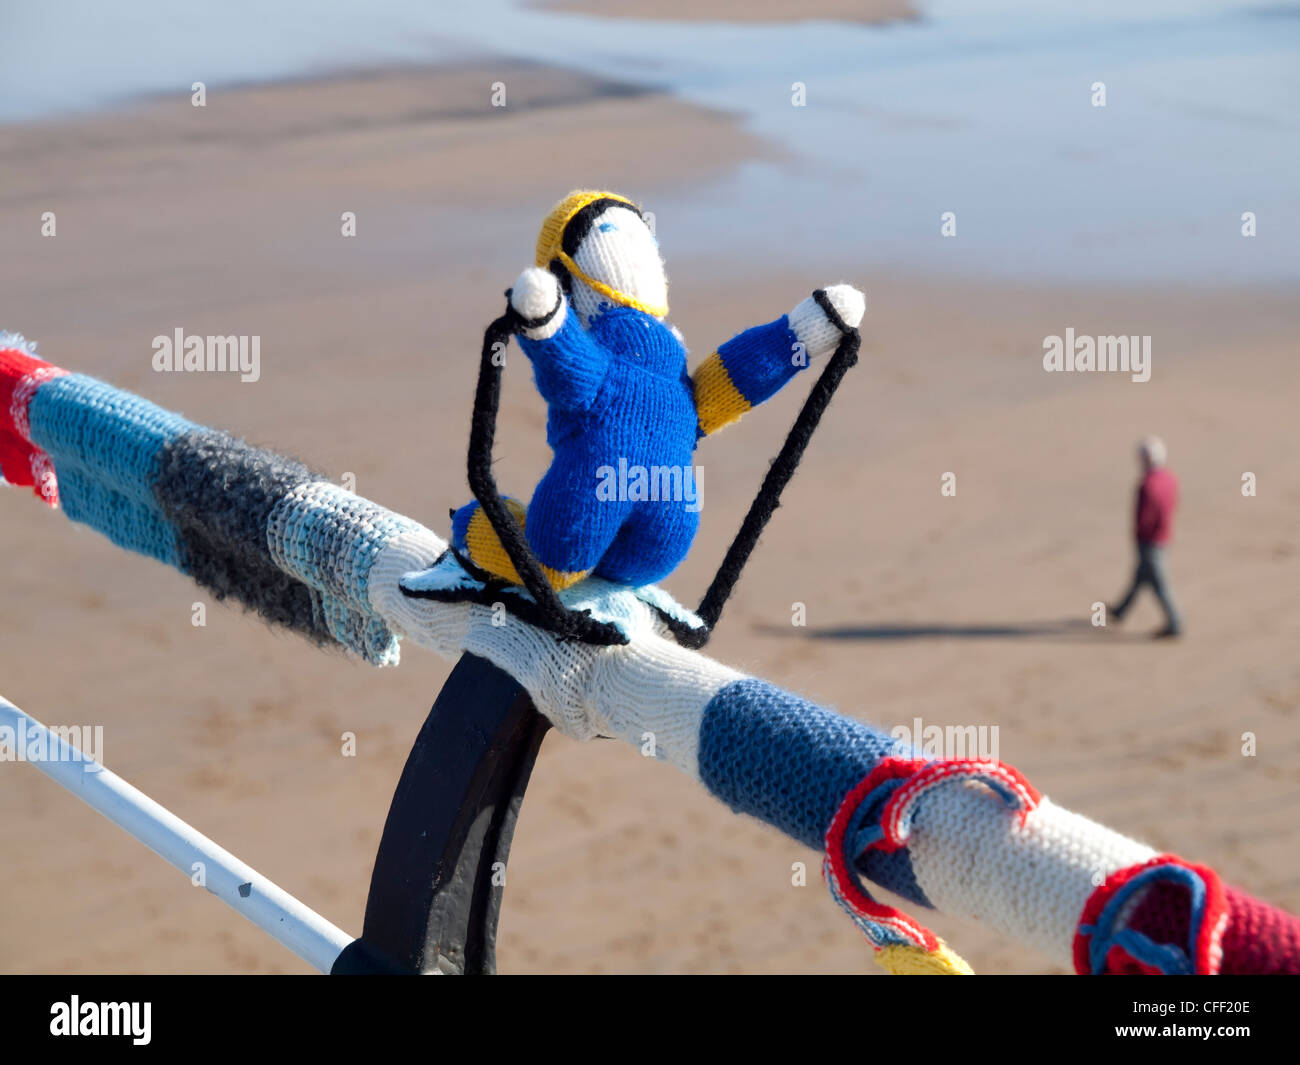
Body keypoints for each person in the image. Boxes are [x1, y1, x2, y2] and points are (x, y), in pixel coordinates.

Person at [1110, 435, 1182, 638]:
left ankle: (1176, 623)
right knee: (1140, 577)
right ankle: (1120, 610)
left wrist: (1140, 535)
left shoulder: (1147, 485)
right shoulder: (1169, 478)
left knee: (1159, 583)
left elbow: (1144, 517)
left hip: (1149, 540)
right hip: (1163, 536)